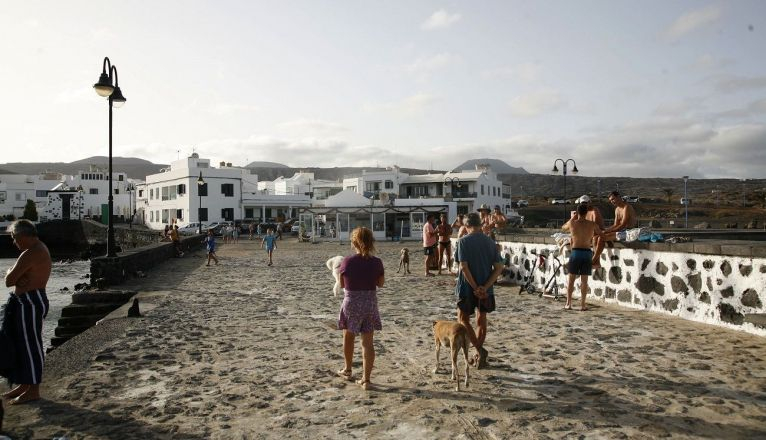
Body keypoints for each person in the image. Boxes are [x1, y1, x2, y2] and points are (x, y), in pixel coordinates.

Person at [2, 220, 52, 405]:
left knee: (30, 345)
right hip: (32, 299)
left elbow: (9, 280)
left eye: (15, 238)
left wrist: (13, 274)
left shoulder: (31, 253)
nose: (14, 242)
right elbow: (12, 277)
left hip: (29, 301)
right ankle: (25, 384)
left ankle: (33, 390)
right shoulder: (38, 249)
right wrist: (13, 273)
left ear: (24, 236)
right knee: (22, 344)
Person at [336, 227, 384, 390]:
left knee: (348, 336)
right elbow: (381, 283)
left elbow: (342, 284)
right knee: (368, 343)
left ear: (354, 242)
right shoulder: (376, 262)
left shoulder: (347, 262)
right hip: (370, 302)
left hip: (352, 302)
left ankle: (348, 369)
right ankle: (366, 380)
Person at [454, 213, 504, 369]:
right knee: (481, 321)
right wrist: (485, 287)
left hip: (467, 288)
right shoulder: (490, 242)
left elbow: (463, 266)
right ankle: (478, 354)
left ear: (467, 226)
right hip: (486, 289)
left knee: (463, 319)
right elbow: (499, 268)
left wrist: (475, 287)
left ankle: (479, 350)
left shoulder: (463, 241)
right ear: (480, 225)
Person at [562, 203, 604, 311]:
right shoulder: (592, 224)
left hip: (575, 252)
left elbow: (563, 228)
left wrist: (573, 218)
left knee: (571, 280)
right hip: (586, 253)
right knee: (584, 281)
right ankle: (583, 305)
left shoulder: (572, 223)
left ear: (577, 212)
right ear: (587, 213)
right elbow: (601, 234)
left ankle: (568, 303)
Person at [592, 191, 637, 268]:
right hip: (621, 230)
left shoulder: (627, 207)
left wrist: (608, 231)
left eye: (613, 199)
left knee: (601, 238)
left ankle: (593, 260)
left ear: (619, 197)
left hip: (628, 231)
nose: (612, 202)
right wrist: (606, 230)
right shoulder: (617, 209)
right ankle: (597, 262)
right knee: (595, 238)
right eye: (610, 200)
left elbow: (623, 225)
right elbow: (616, 224)